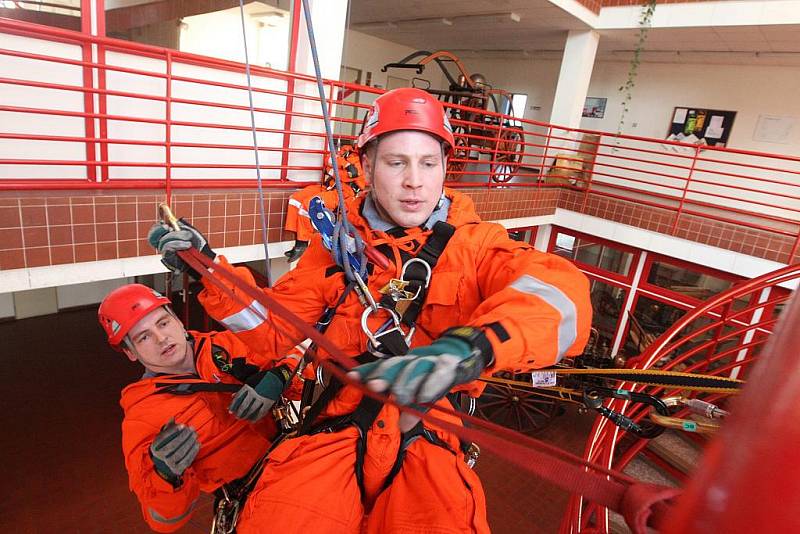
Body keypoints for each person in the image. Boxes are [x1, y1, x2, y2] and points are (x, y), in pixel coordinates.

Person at [149, 87, 592, 533]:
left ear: (444, 169)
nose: (414, 181)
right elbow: (273, 329)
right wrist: (210, 272)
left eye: (428, 163)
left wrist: (475, 346)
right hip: (334, 429)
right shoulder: (336, 254)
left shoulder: (476, 247)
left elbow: (561, 294)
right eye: (396, 162)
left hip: (428, 436)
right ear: (365, 167)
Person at [98, 283, 295, 532]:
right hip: (256, 498)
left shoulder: (227, 347)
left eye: (163, 323)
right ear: (130, 353)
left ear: (178, 321)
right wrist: (166, 476)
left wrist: (282, 375)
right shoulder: (142, 418)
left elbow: (299, 351)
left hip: (296, 454)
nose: (162, 339)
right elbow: (162, 520)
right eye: (143, 337)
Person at [283, 143, 367, 262]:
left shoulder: (365, 162)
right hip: (327, 187)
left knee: (308, 205)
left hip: (342, 194)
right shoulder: (346, 150)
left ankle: (302, 243)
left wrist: (335, 166)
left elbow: (344, 176)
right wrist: (345, 164)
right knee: (295, 199)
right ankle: (295, 235)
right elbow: (328, 159)